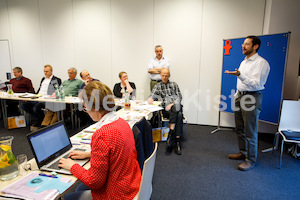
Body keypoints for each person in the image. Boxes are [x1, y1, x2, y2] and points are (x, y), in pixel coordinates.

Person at [58, 81, 141, 200]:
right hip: (132, 185)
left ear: (95, 108)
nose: (86, 112)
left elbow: (94, 182)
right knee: (80, 188)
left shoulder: (102, 134)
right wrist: (89, 154)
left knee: (69, 197)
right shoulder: (122, 123)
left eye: (85, 107)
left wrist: (72, 166)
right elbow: (116, 153)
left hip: (117, 194)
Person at [225, 35, 270, 171]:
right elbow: (243, 80)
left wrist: (240, 75)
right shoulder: (244, 62)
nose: (243, 46)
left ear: (255, 46)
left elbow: (257, 83)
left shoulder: (261, 63)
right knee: (239, 128)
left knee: (250, 131)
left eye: (247, 44)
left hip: (252, 98)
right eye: (243, 44)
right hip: (240, 96)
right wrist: (237, 93)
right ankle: (243, 153)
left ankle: (250, 160)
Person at [148, 68, 183, 155]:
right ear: (160, 75)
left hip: (174, 106)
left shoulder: (174, 85)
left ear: (169, 75)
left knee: (176, 108)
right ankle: (177, 141)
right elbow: (151, 96)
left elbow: (179, 97)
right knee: (179, 115)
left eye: (166, 75)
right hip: (165, 110)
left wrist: (172, 104)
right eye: (163, 75)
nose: (164, 77)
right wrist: (150, 99)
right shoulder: (157, 86)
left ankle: (171, 135)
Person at [20, 65, 61, 131]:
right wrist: (33, 96)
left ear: (51, 71)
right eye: (44, 71)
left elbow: (55, 91)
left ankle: (40, 122)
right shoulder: (43, 79)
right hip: (38, 97)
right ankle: (38, 118)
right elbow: (39, 89)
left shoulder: (56, 79)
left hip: (47, 99)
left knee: (36, 107)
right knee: (23, 105)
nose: (45, 73)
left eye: (47, 71)